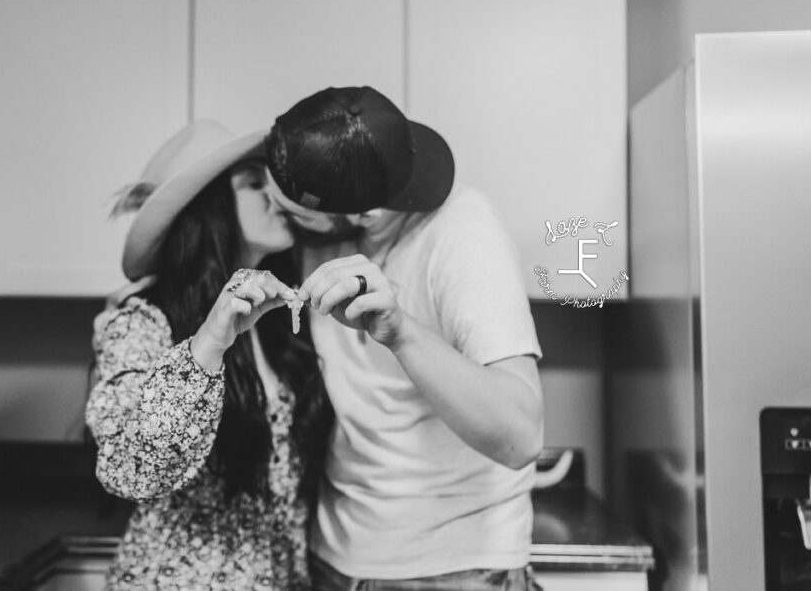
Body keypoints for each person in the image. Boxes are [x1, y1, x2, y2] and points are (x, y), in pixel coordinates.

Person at [263, 86, 545, 591]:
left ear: (362, 212)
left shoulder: (461, 231)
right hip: (334, 556)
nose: (284, 218)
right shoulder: (325, 224)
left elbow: (521, 435)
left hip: (451, 568)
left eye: (296, 212)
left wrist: (401, 331)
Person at [85, 120, 334, 590]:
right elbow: (129, 470)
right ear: (210, 208)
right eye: (253, 182)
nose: (275, 196)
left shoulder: (283, 319)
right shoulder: (141, 320)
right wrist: (209, 344)